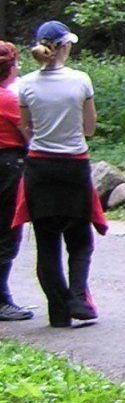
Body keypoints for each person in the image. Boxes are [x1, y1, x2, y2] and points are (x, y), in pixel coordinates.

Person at [14, 21, 100, 328]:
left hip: (39, 167)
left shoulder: (25, 84)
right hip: (73, 165)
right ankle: (79, 298)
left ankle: (58, 311)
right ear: (64, 47)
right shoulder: (81, 81)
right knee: (79, 240)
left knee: (47, 241)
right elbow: (89, 129)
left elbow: (26, 128)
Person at [0, 42, 32, 321]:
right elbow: (29, 136)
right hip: (7, 166)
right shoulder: (10, 101)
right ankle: (1, 300)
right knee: (6, 232)